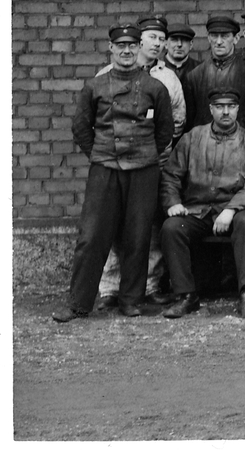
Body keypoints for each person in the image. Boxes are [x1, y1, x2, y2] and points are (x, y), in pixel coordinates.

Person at [53, 24, 174, 322]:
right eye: (120, 45)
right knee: (91, 236)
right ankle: (78, 304)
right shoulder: (95, 86)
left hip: (143, 171)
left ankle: (131, 301)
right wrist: (101, 153)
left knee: (138, 235)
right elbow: (81, 128)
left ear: (139, 48)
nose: (126, 51)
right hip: (105, 169)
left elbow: (164, 132)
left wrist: (143, 154)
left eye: (132, 45)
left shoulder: (155, 88)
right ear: (111, 48)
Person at [92, 14, 186, 309]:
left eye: (162, 39)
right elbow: (94, 122)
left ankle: (149, 285)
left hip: (153, 163)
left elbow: (176, 121)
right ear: (138, 40)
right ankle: (110, 288)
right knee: (113, 224)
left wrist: (153, 152)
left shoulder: (167, 78)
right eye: (152, 37)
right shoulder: (106, 75)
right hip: (114, 164)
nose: (157, 43)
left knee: (150, 225)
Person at [159, 89, 245, 319]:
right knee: (172, 228)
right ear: (211, 109)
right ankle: (187, 296)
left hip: (234, 209)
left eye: (231, 107)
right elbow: (170, 175)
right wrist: (173, 202)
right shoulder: (192, 138)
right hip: (197, 210)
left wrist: (230, 209)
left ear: (237, 109)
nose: (225, 112)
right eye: (219, 107)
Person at [181, 14, 245, 142]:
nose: (219, 42)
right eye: (214, 36)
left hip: (241, 147)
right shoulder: (194, 77)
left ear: (236, 38)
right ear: (208, 38)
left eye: (225, 36)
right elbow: (190, 123)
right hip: (205, 147)